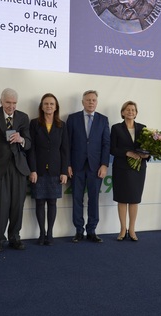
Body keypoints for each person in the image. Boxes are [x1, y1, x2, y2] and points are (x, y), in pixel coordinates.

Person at [0, 88, 31, 253]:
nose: (11, 106)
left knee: (17, 205)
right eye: (8, 102)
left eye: (14, 103)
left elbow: (29, 143)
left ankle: (15, 237)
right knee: (0, 205)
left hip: (19, 167)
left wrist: (21, 139)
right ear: (1, 101)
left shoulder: (23, 117)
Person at [66, 90, 110, 243]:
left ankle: (91, 230)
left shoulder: (103, 120)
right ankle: (79, 230)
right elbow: (67, 144)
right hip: (77, 166)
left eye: (93, 100)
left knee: (94, 199)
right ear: (82, 102)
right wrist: (68, 165)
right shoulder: (72, 119)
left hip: (96, 167)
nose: (91, 102)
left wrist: (104, 165)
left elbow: (106, 144)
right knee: (77, 199)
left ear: (97, 102)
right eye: (88, 100)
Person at [28, 93, 70, 246]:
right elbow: (31, 149)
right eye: (46, 104)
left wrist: (64, 171)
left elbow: (65, 150)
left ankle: (50, 233)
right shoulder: (34, 123)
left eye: (52, 104)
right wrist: (32, 169)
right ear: (41, 106)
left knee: (52, 202)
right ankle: (41, 233)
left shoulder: (61, 125)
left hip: (55, 170)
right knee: (39, 202)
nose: (49, 106)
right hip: (38, 170)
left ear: (56, 106)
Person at [110, 101, 149, 241]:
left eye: (133, 110)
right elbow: (112, 149)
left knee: (134, 200)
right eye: (127, 110)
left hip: (138, 169)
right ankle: (122, 230)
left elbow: (148, 149)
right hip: (121, 168)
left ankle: (132, 230)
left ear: (136, 113)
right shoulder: (116, 128)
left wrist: (147, 155)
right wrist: (127, 153)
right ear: (122, 112)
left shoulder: (143, 128)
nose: (130, 112)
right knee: (122, 199)